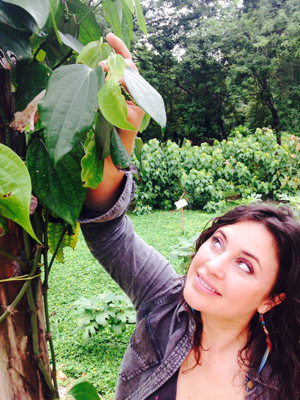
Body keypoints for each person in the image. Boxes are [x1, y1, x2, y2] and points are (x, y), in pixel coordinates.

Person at [79, 33, 300, 400]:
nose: (213, 265)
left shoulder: (284, 383)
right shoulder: (165, 303)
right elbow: (108, 230)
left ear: (271, 299)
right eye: (217, 242)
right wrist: (126, 126)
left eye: (245, 266)